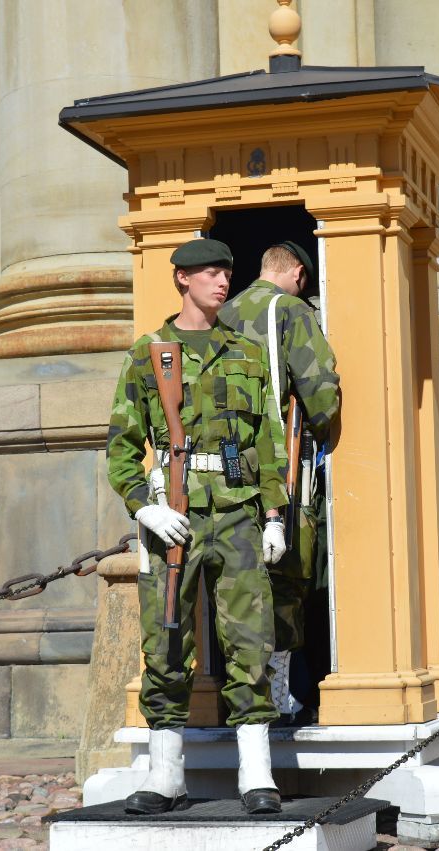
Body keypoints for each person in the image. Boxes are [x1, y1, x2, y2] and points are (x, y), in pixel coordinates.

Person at [106, 238, 289, 816]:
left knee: (251, 643)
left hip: (236, 513)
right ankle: (166, 776)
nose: (222, 280)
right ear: (181, 278)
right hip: (175, 517)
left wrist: (275, 514)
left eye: (227, 271)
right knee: (165, 642)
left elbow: (267, 437)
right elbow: (121, 444)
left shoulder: (247, 352)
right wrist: (143, 506)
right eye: (210, 271)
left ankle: (257, 775)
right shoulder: (149, 353)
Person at [219, 240, 340, 726]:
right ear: (297, 274)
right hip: (280, 467)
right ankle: (282, 696)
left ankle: (241, 695)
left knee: (235, 582)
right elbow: (320, 394)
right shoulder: (289, 310)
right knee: (287, 577)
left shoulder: (221, 313)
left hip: (223, 469)